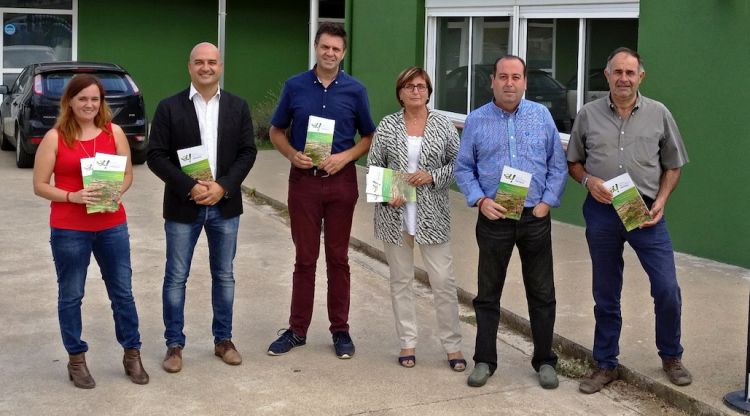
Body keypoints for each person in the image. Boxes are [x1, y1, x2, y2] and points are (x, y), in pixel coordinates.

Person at [567, 47, 690, 394]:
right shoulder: (588, 115)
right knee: (606, 292)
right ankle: (605, 364)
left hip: (645, 212)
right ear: (606, 76)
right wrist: (588, 181)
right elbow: (574, 162)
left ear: (640, 77)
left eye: (630, 72)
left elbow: (673, 165)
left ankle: (671, 356)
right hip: (603, 212)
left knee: (667, 288)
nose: (623, 78)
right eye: (617, 72)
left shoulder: (659, 114)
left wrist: (662, 201)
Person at [454, 55, 567, 389]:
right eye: (503, 77)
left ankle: (545, 360)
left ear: (525, 81)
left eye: (515, 77)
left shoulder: (542, 115)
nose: (509, 83)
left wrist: (547, 202)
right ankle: (485, 361)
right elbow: (463, 167)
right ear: (492, 80)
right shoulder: (476, 120)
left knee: (542, 292)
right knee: (487, 295)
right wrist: (480, 199)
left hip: (535, 217)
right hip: (495, 218)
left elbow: (557, 164)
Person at [267, 22, 375, 359]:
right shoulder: (295, 86)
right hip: (304, 183)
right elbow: (275, 130)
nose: (330, 53)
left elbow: (369, 137)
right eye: (325, 47)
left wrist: (345, 156)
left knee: (338, 259)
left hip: (341, 183)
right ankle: (297, 330)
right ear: (316, 47)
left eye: (336, 49)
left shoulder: (355, 90)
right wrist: (290, 154)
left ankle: (340, 330)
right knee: (305, 259)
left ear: (343, 53)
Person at [33, 74, 148, 388]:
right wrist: (72, 196)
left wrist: (115, 192)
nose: (89, 104)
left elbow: (127, 175)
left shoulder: (115, 133)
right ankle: (76, 359)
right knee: (71, 295)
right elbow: (40, 186)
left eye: (95, 99)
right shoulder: (56, 137)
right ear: (69, 101)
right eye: (82, 98)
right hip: (70, 228)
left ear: (101, 102)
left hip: (111, 224)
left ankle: (132, 353)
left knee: (122, 293)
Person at [147, 42, 256, 373]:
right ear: (189, 66)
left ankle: (223, 340)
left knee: (224, 275)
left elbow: (247, 152)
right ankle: (174, 345)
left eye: (212, 62)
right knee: (176, 276)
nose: (206, 67)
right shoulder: (169, 107)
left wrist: (222, 186)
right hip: (183, 206)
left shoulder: (237, 106)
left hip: (225, 206)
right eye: (199, 62)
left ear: (220, 66)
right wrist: (190, 187)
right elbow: (155, 155)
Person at [367, 67, 465, 370]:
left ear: (428, 91)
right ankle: (407, 342)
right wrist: (388, 191)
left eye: (421, 86)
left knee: (443, 282)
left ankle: (453, 346)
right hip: (394, 216)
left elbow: (458, 163)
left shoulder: (443, 125)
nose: (415, 91)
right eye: (409, 86)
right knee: (401, 282)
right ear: (400, 92)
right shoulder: (387, 125)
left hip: (433, 215)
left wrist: (432, 176)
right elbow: (373, 164)